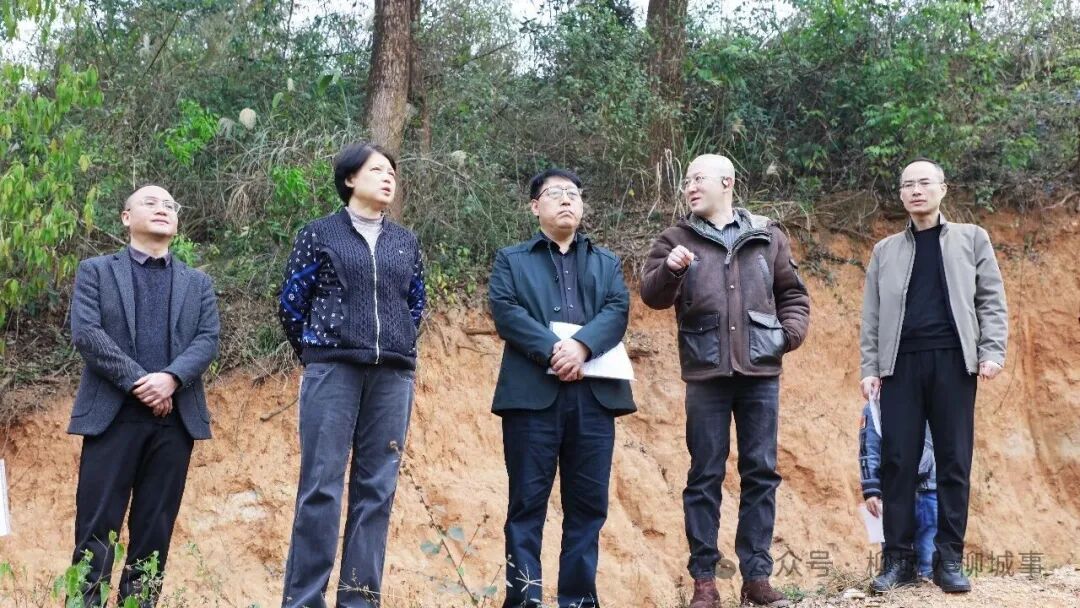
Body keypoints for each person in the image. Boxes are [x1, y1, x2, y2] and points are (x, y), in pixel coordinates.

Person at [641, 154, 810, 608]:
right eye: (687, 181)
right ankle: (705, 581)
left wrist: (785, 337)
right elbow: (652, 296)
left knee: (761, 473)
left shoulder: (767, 234)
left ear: (727, 182)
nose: (690, 187)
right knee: (704, 476)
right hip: (706, 373)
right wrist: (671, 269)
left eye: (699, 178)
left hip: (760, 372)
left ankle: (757, 578)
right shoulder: (675, 238)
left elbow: (793, 295)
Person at [278, 142, 426, 608]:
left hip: (392, 376)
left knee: (376, 491)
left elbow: (415, 304)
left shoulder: (406, 242)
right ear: (350, 179)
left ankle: (359, 601)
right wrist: (319, 350)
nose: (388, 178)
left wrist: (397, 342)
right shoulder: (319, 233)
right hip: (333, 370)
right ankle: (304, 600)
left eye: (392, 173)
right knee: (321, 486)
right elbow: (292, 302)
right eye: (378, 170)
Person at [489, 168, 636, 607]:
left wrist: (582, 347)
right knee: (526, 506)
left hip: (594, 398)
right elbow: (506, 311)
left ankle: (578, 599)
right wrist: (556, 351)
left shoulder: (606, 262)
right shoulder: (512, 260)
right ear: (535, 206)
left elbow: (617, 309)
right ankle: (524, 600)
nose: (567, 200)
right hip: (531, 399)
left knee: (588, 507)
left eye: (573, 193)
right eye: (555, 193)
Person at [860, 159, 1007, 594]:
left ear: (943, 188)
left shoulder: (972, 238)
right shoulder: (885, 250)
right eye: (908, 184)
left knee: (954, 461)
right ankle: (898, 560)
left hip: (954, 362)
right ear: (901, 195)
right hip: (900, 365)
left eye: (924, 182)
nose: (916, 190)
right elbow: (871, 315)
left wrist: (991, 350)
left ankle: (949, 560)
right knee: (897, 463)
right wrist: (870, 367)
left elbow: (991, 300)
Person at [69, 185, 220, 606]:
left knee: (154, 535)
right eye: (150, 202)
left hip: (174, 423)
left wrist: (171, 379)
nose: (162, 209)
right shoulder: (96, 271)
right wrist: (142, 382)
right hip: (111, 418)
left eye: (170, 205)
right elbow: (87, 333)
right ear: (126, 217)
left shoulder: (198, 282)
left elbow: (207, 340)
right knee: (96, 531)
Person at [859, 401, 938, 579]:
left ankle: (927, 585)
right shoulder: (874, 406)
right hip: (894, 492)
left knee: (929, 562)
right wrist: (871, 489)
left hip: (931, 489)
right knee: (895, 558)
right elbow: (868, 449)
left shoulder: (934, 398)